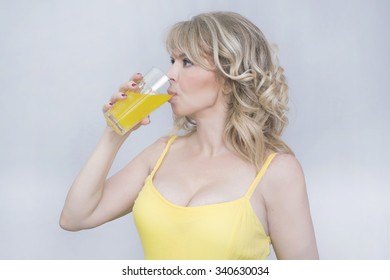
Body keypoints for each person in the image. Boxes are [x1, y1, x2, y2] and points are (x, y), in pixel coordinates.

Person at [60, 11, 319, 260]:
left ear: (229, 79)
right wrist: (114, 132)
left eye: (187, 62)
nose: (171, 74)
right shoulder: (161, 153)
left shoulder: (277, 171)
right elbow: (75, 217)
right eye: (172, 61)